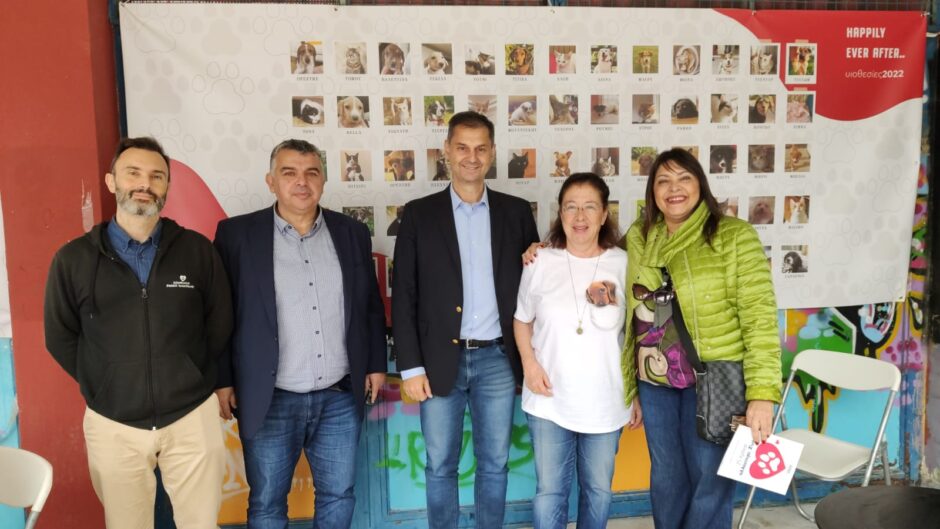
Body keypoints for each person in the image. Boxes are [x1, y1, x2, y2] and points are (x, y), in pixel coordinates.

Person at [44, 136, 233, 529]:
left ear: (167, 186)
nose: (145, 184)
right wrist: (105, 381)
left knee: (202, 524)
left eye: (156, 176)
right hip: (113, 422)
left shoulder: (197, 250)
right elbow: (60, 335)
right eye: (133, 173)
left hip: (191, 416)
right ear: (111, 181)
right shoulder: (74, 259)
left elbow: (219, 322)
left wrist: (190, 373)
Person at [213, 139, 387, 528]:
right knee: (267, 503)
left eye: (311, 173)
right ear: (271, 181)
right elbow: (219, 314)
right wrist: (222, 379)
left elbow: (370, 305)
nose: (301, 182)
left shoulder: (352, 233)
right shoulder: (236, 235)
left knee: (339, 495)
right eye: (289, 173)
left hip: (339, 395)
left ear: (323, 180)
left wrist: (376, 363)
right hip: (269, 397)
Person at [392, 111, 540, 528]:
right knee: (440, 464)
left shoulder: (515, 212)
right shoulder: (419, 214)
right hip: (438, 360)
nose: (471, 157)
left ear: (492, 153)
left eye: (480, 148)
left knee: (495, 463)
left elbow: (535, 284)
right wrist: (411, 367)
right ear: (447, 151)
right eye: (462, 147)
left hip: (497, 359)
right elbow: (404, 294)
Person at [625, 148, 781, 529]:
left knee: (710, 482)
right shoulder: (640, 237)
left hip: (715, 380)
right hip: (655, 381)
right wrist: (540, 250)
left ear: (701, 185)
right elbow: (601, 271)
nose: (673, 189)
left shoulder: (733, 236)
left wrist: (762, 394)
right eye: (663, 181)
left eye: (684, 179)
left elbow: (760, 320)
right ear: (652, 191)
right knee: (666, 480)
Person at [514, 173, 642, 529]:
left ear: (604, 214)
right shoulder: (539, 261)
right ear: (560, 214)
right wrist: (529, 365)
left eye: (590, 207)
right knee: (550, 492)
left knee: (598, 490)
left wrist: (635, 392)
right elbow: (521, 319)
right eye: (571, 207)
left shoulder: (624, 263)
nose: (580, 216)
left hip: (606, 400)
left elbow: (636, 332)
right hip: (549, 398)